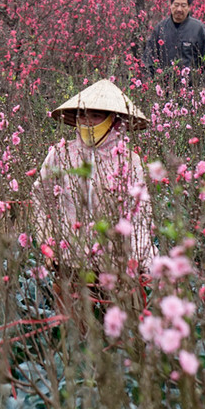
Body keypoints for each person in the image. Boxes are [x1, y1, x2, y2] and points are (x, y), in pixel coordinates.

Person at [31, 79, 157, 272]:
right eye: (82, 115)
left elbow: (140, 213)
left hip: (117, 264)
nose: (87, 121)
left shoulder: (130, 161)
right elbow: (41, 198)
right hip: (69, 260)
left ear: (113, 119)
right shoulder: (61, 154)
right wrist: (49, 243)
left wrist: (138, 257)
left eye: (96, 116)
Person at [143, 0, 205, 87]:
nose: (179, 9)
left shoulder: (199, 29)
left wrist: (203, 88)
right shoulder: (160, 29)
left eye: (183, 6)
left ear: (189, 7)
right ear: (170, 5)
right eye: (176, 5)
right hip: (164, 90)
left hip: (192, 91)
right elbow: (148, 59)